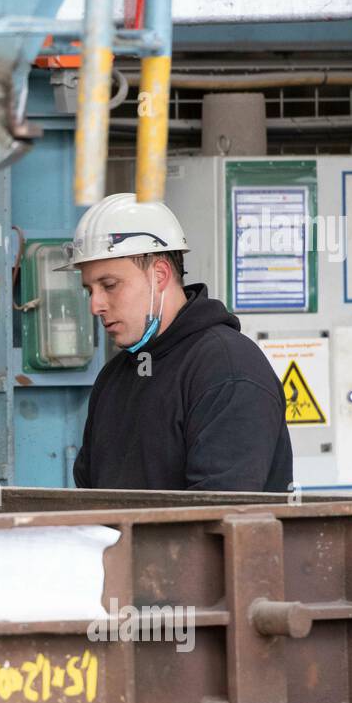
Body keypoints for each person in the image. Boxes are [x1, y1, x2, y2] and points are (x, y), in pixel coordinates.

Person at [66, 193, 293, 492]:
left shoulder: (228, 369)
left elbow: (218, 513)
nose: (96, 305)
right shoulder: (115, 376)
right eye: (89, 290)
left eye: (109, 285)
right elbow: (91, 495)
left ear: (159, 275)